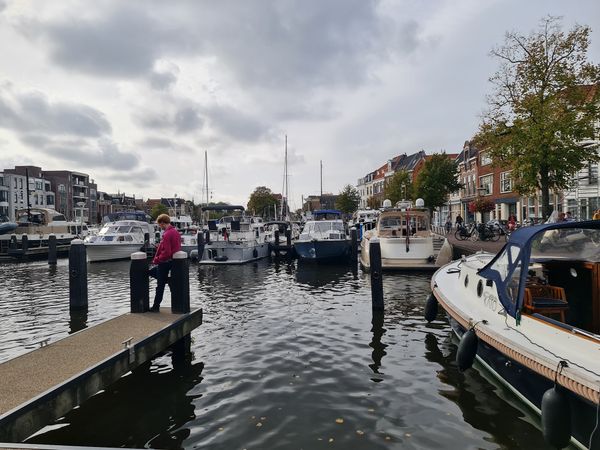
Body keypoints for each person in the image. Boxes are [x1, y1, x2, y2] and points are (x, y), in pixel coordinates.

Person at [149, 214, 181, 312]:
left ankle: (155, 307)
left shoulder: (167, 234)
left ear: (162, 223)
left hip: (164, 262)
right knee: (155, 275)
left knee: (160, 285)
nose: (160, 226)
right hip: (173, 262)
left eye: (159, 224)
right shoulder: (175, 232)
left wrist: (157, 259)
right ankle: (168, 280)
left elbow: (167, 252)